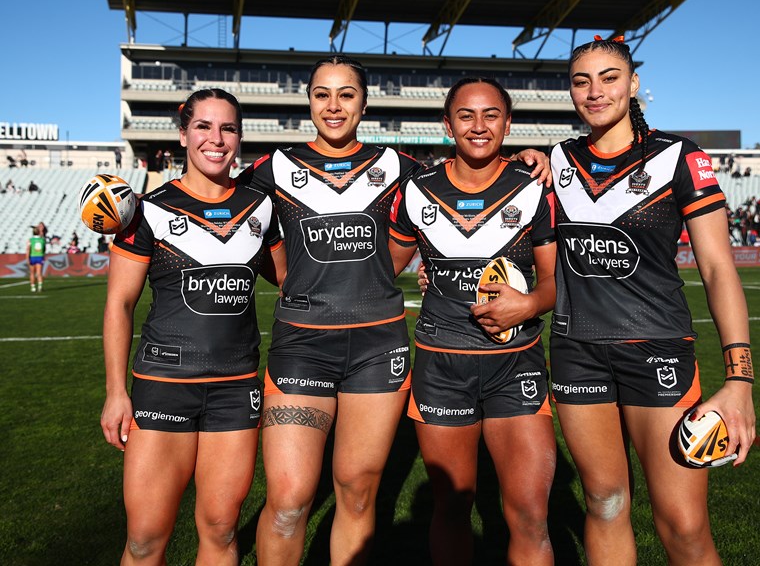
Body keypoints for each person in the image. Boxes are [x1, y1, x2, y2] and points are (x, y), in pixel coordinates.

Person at [548, 36, 755, 565]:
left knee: (684, 525)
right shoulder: (556, 160)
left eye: (609, 77)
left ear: (633, 83)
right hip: (577, 351)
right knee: (606, 501)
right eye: (581, 81)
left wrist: (739, 380)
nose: (595, 91)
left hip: (657, 352)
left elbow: (717, 268)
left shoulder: (680, 158)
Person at [238, 55, 421, 566]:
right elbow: (223, 216)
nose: (334, 105)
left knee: (358, 491)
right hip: (301, 347)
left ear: (364, 102)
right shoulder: (270, 169)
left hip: (376, 346)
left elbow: (468, 191)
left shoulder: (401, 169)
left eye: (346, 94)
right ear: (309, 101)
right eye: (322, 94)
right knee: (290, 500)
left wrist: (528, 162)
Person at [99, 88, 285, 565]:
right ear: (183, 134)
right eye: (203, 126)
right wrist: (116, 392)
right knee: (144, 540)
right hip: (164, 388)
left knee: (221, 531)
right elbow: (120, 304)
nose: (216, 139)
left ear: (240, 137)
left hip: (235, 389)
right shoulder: (146, 210)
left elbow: (293, 280)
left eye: (228, 128)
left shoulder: (260, 207)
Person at [389, 78, 558, 565]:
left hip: (515, 367)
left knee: (529, 512)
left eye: (491, 115)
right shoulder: (417, 189)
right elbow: (383, 267)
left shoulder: (534, 188)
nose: (479, 126)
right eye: (466, 115)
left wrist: (527, 306)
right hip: (442, 367)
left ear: (508, 123)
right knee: (452, 508)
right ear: (448, 125)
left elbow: (553, 283)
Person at [26, 223, 47, 292]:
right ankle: (40, 287)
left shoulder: (30, 240)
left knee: (32, 273)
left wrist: (27, 258)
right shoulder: (42, 240)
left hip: (32, 257)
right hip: (40, 257)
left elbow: (28, 249)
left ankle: (33, 287)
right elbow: (44, 249)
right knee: (39, 273)